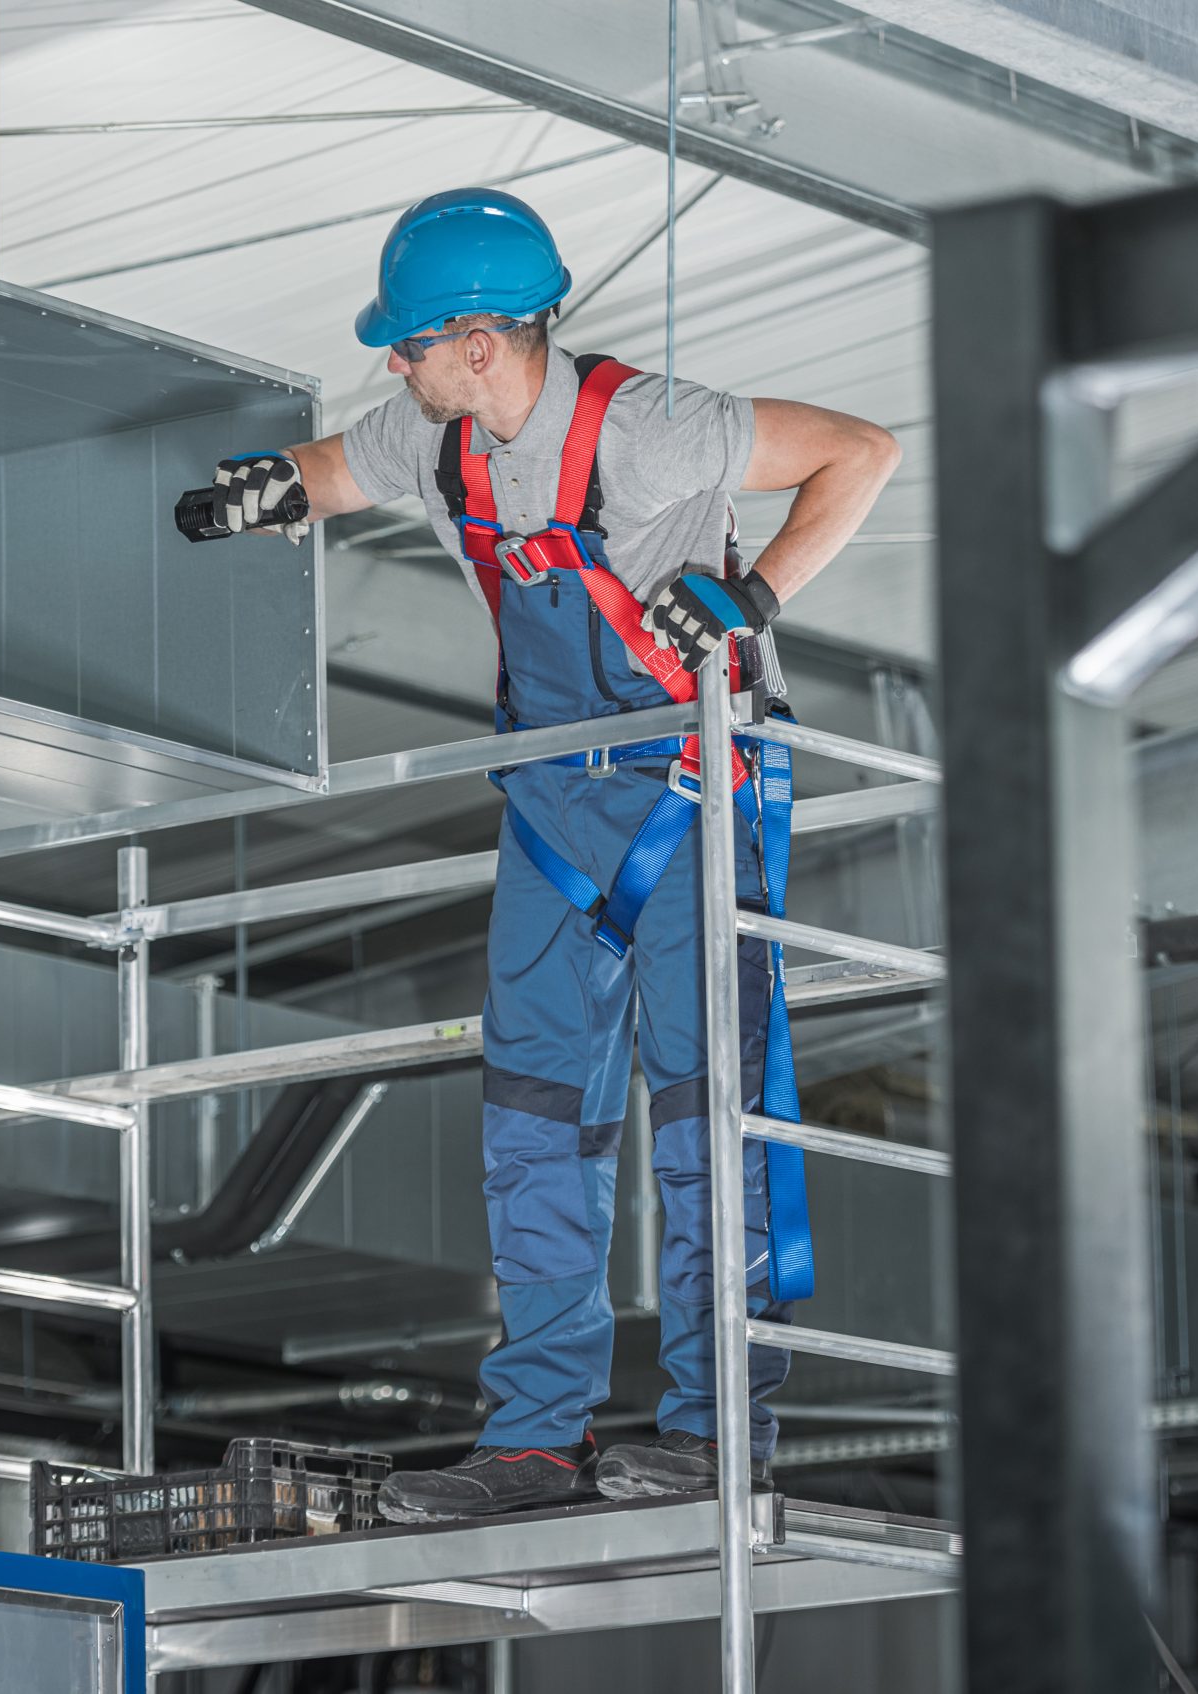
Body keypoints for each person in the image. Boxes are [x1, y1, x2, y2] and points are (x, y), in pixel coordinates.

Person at [195, 187, 899, 1520]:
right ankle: (533, 1436)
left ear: (475, 342)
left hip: (695, 781)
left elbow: (861, 450)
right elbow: (343, 467)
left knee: (702, 1106)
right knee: (530, 1116)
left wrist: (754, 596)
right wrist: (270, 489)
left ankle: (710, 1427)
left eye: (405, 345)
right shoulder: (436, 438)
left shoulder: (649, 428)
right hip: (549, 799)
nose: (390, 367)